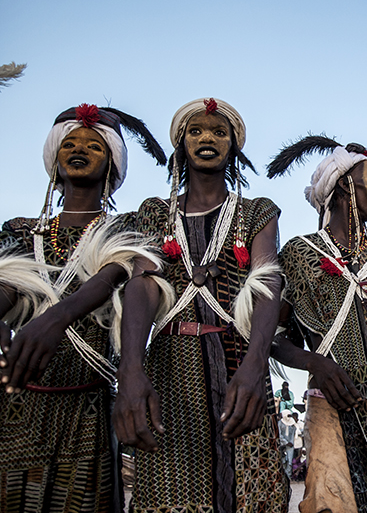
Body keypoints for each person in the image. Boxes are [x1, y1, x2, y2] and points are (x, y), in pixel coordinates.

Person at [112, 98, 289, 512]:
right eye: (196, 131)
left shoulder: (256, 211)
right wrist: (131, 371)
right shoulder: (156, 212)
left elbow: (267, 283)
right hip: (172, 369)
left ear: (233, 147)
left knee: (250, 491)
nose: (207, 138)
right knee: (172, 493)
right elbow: (144, 283)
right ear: (181, 144)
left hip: (239, 367)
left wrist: (254, 366)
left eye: (219, 132)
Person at [0, 104, 165, 511]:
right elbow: (8, 287)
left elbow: (120, 269)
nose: (80, 149)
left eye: (94, 145)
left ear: (111, 162)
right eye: (70, 143)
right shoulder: (21, 231)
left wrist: (56, 316)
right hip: (20, 402)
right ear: (54, 159)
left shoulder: (127, 227)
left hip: (86, 408)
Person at [267, 134, 367, 513]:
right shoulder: (299, 253)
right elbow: (275, 337)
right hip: (333, 405)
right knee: (332, 500)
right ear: (343, 187)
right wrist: (315, 363)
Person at [278, 409, 297, 479]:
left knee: (289, 462)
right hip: (282, 445)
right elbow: (279, 435)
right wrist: (286, 443)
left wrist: (291, 443)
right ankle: (282, 477)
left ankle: (288, 478)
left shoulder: (292, 423)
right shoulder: (280, 423)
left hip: (291, 446)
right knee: (282, 461)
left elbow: (297, 433)